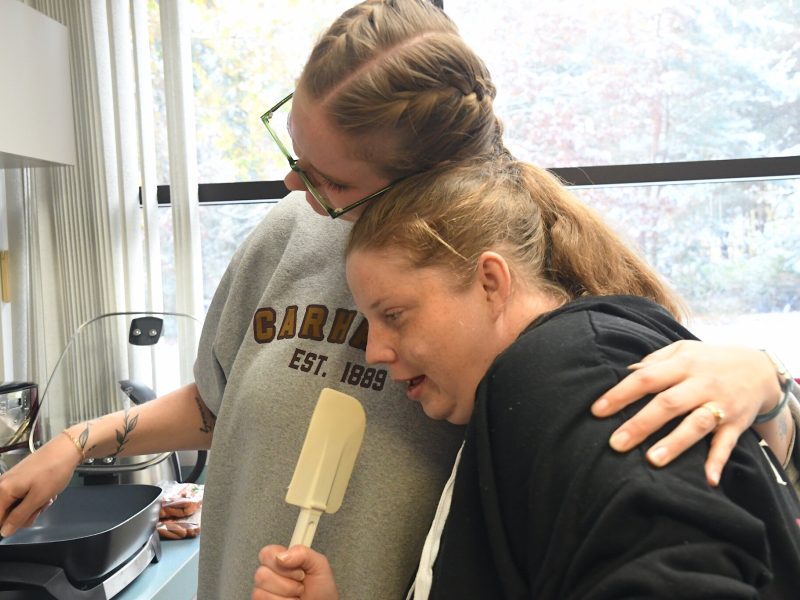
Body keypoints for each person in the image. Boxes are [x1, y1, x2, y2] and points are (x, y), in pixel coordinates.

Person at [0, 1, 795, 598]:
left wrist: (765, 384)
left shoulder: (529, 314)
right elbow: (220, 403)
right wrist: (79, 440)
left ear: (429, 189)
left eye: (332, 179)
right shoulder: (289, 234)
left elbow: (680, 459)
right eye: (296, 155)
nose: (295, 187)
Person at [254, 157, 800, 599]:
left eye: (394, 315)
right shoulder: (541, 382)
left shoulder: (565, 368)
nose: (375, 351)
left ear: (491, 282)